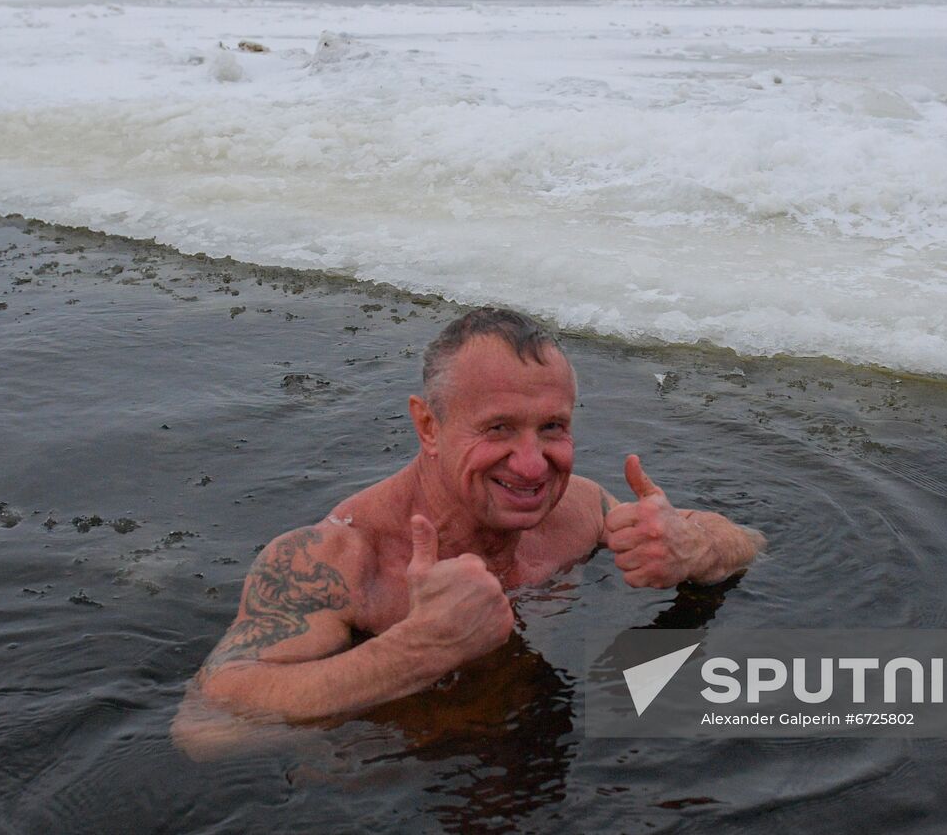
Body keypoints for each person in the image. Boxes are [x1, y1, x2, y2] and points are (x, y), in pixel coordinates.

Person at [188, 307, 765, 723]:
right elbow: (205, 723)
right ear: (428, 427)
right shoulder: (336, 559)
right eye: (498, 429)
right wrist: (418, 651)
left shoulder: (578, 508)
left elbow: (751, 542)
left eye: (553, 428)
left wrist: (696, 548)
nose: (534, 465)